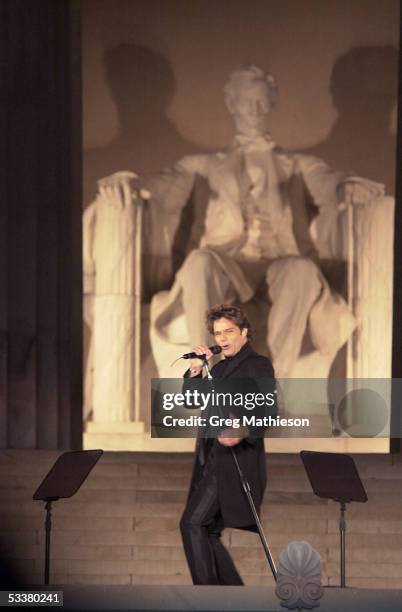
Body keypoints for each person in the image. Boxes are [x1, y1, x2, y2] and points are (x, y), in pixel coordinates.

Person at [97, 65, 384, 381]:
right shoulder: (202, 165)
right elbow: (163, 185)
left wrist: (349, 186)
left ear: (272, 102)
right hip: (225, 263)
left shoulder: (298, 165)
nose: (255, 110)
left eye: (261, 101)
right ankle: (210, 376)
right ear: (232, 104)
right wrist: (131, 183)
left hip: (278, 263)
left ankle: (277, 382)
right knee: (198, 263)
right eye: (247, 102)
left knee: (301, 270)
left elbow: (329, 183)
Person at [179, 304, 276, 585]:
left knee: (192, 523)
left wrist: (244, 429)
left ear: (244, 332)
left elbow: (268, 410)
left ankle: (207, 595)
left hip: (234, 462)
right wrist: (196, 369)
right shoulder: (219, 369)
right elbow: (192, 401)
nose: (222, 338)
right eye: (218, 333)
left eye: (228, 331)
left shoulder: (258, 365)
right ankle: (235, 595)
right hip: (209, 458)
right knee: (207, 530)